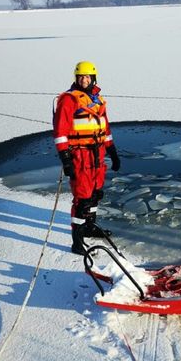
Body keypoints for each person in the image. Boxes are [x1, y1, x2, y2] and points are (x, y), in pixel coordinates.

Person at [53, 61, 121, 255]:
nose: (84, 80)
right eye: (80, 77)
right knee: (82, 199)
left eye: (87, 77)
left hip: (97, 155)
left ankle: (91, 227)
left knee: (95, 195)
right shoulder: (69, 100)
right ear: (76, 78)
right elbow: (60, 132)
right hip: (80, 156)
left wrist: (113, 151)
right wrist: (65, 158)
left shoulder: (98, 100)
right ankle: (77, 240)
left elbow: (105, 130)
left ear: (93, 78)